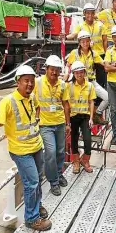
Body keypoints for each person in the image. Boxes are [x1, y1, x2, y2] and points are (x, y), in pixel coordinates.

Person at [0, 65, 52, 231]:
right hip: (21, 151)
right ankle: (32, 219)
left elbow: (37, 110)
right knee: (32, 182)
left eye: (32, 81)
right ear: (17, 82)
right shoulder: (8, 101)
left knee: (37, 179)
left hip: (36, 146)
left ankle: (37, 205)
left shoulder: (32, 98)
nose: (30, 84)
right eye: (26, 81)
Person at [34, 55, 70, 197]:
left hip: (60, 123)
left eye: (57, 70)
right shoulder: (37, 83)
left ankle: (59, 174)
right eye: (52, 70)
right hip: (45, 125)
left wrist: (68, 124)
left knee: (60, 152)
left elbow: (66, 104)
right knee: (50, 153)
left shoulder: (62, 84)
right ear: (46, 69)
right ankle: (53, 182)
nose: (54, 73)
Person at [64, 30, 108, 125]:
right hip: (76, 83)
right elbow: (68, 66)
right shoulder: (74, 53)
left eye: (87, 41)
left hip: (91, 83)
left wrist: (113, 64)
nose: (85, 43)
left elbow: (103, 63)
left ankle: (97, 114)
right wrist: (66, 75)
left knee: (107, 98)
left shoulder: (93, 53)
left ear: (90, 41)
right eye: (83, 41)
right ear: (79, 42)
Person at [66, 3, 108, 88]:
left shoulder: (100, 25)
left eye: (92, 13)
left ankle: (98, 99)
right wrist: (65, 37)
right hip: (87, 54)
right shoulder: (80, 26)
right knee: (87, 75)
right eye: (88, 13)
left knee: (101, 79)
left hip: (99, 54)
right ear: (84, 14)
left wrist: (106, 54)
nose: (90, 15)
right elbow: (74, 35)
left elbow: (105, 40)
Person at [69, 61, 96, 174]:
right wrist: (67, 122)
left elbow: (91, 102)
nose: (79, 75)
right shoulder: (69, 86)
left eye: (81, 72)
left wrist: (91, 118)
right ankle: (76, 161)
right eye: (77, 73)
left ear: (84, 72)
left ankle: (85, 160)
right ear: (73, 74)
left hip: (85, 117)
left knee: (87, 139)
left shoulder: (89, 86)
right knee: (74, 139)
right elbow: (65, 103)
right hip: (73, 117)